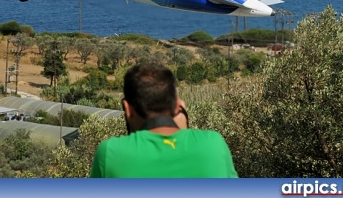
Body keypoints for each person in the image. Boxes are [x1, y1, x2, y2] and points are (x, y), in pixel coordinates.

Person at [90, 63, 237, 178]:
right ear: (178, 106)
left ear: (127, 109)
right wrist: (184, 132)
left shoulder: (111, 152)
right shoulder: (213, 144)